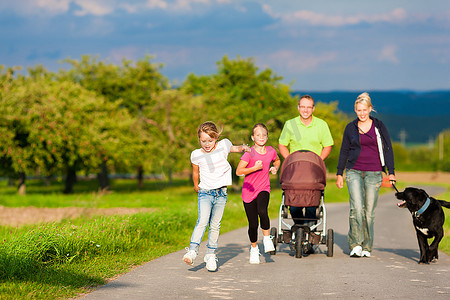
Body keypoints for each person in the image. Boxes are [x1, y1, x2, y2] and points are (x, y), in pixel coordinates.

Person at [183, 121, 250, 272]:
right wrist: (195, 185)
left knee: (215, 225)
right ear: (199, 139)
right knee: (203, 221)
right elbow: (196, 172)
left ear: (216, 138)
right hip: (205, 192)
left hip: (221, 193)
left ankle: (211, 255)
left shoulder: (223, 145)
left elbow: (235, 148)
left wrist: (243, 148)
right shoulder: (196, 154)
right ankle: (192, 251)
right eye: (203, 141)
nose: (207, 144)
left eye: (210, 141)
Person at [336, 92, 396, 258]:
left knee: (368, 212)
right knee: (356, 209)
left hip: (374, 173)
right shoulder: (350, 128)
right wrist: (340, 173)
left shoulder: (379, 126)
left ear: (370, 109)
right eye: (358, 110)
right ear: (355, 110)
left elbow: (388, 149)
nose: (361, 113)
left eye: (364, 110)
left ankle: (367, 246)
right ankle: (355, 244)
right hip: (353, 171)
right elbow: (344, 151)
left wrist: (391, 173)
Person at [278, 95, 334, 225]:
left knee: (311, 204)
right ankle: (299, 228)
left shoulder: (321, 125)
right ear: (298, 108)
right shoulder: (291, 124)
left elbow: (327, 146)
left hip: (313, 171)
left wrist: (318, 161)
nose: (305, 110)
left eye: (308, 107)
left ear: (313, 109)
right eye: (303, 107)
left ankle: (309, 229)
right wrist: (290, 160)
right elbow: (282, 145)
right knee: (293, 205)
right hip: (294, 171)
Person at [236, 123, 281, 264]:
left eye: (264, 134)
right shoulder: (249, 153)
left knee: (262, 211)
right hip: (248, 191)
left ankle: (267, 239)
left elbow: (278, 160)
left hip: (263, 188)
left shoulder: (271, 151)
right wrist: (254, 168)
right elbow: (239, 171)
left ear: (267, 137)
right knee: (253, 224)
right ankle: (254, 249)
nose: (261, 137)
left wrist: (275, 168)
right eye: (258, 135)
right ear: (252, 137)